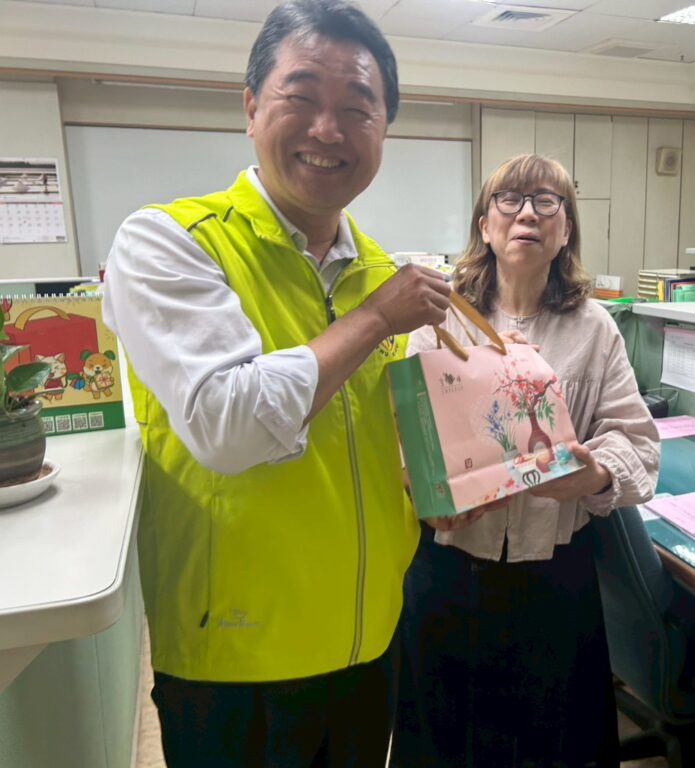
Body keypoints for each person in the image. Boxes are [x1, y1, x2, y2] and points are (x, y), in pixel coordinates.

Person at [101, 2, 450, 766]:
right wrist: (374, 319)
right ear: (252, 107)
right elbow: (229, 427)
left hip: (368, 641)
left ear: (383, 131)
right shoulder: (170, 242)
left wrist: (450, 480)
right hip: (239, 663)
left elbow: (380, 442)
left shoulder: (381, 270)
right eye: (303, 97)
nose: (328, 129)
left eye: (358, 107)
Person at [392, 154, 660, 768]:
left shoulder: (595, 329)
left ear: (566, 231)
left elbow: (635, 439)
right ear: (484, 226)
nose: (527, 216)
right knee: (444, 744)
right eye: (509, 201)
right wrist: (423, 494)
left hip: (555, 577)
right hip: (450, 567)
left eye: (547, 202)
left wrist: (593, 473)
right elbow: (405, 439)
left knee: (553, 745)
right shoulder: (438, 320)